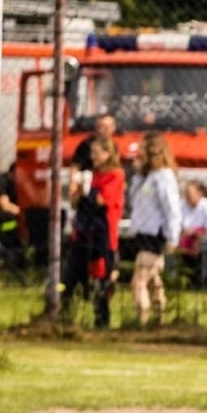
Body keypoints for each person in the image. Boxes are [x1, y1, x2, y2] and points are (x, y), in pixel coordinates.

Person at [64, 136, 124, 328]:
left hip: (103, 234)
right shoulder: (92, 174)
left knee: (102, 276)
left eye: (97, 153)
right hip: (83, 232)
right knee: (71, 274)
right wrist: (79, 187)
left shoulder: (115, 174)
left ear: (107, 154)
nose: (93, 157)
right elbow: (74, 202)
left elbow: (102, 200)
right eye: (92, 153)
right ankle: (64, 312)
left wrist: (88, 189)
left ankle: (102, 318)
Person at [127, 132, 182, 327]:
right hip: (143, 232)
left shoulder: (163, 176)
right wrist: (138, 174)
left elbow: (171, 207)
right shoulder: (146, 176)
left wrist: (172, 236)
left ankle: (141, 321)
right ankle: (160, 319)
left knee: (139, 281)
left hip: (155, 234)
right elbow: (136, 200)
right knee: (153, 280)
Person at [180, 181, 207, 288]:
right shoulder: (181, 205)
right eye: (186, 194)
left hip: (203, 238)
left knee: (205, 244)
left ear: (200, 193)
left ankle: (203, 280)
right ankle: (174, 280)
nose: (187, 197)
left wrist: (195, 235)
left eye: (190, 194)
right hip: (184, 238)